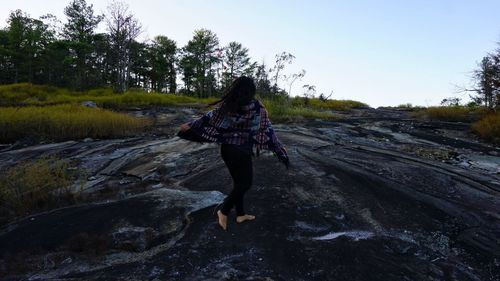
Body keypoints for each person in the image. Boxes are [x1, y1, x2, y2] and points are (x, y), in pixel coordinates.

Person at [177, 76, 289, 231]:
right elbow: (267, 130)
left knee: (238, 183)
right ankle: (223, 210)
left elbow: (208, 118)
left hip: (227, 150)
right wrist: (279, 147)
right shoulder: (257, 108)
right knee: (245, 183)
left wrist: (190, 126)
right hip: (241, 151)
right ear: (251, 91)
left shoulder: (228, 106)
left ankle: (241, 214)